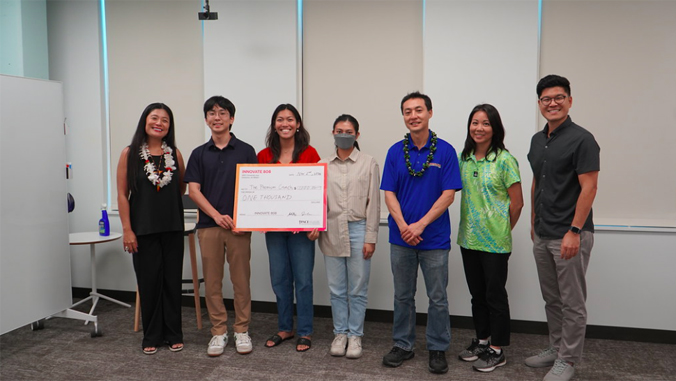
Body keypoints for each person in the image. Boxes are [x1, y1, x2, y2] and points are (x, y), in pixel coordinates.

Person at [380, 92, 463, 374]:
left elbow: (448, 195)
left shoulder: (446, 151)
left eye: (418, 110)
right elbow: (389, 193)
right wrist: (404, 226)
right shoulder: (394, 152)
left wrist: (420, 225)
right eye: (407, 111)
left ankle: (437, 347)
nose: (413, 115)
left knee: (437, 297)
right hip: (400, 238)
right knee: (403, 295)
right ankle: (403, 344)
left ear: (429, 112)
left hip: (435, 239)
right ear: (403, 116)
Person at [525, 75, 600, 381]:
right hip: (543, 232)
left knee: (572, 302)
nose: (552, 103)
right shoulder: (537, 140)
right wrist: (532, 220)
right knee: (552, 298)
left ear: (570, 101)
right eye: (546, 99)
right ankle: (557, 348)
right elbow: (536, 181)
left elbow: (590, 187)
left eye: (558, 97)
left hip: (569, 234)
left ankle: (567, 360)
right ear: (540, 103)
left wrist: (575, 230)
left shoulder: (582, 139)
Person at [184, 96, 258, 356]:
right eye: (212, 113)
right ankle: (218, 332)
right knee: (213, 282)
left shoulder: (247, 150)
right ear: (206, 120)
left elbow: (254, 188)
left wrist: (243, 219)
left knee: (241, 281)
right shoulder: (198, 153)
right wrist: (217, 216)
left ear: (232, 118)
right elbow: (193, 191)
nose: (217, 117)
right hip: (208, 226)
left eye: (222, 113)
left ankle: (241, 330)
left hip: (239, 227)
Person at [456, 104, 523, 372]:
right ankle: (482, 340)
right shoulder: (465, 158)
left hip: (495, 243)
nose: (479, 128)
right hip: (468, 240)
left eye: (485, 123)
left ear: (494, 128)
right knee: (477, 295)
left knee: (495, 296)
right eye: (475, 122)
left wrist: (502, 231)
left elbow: (516, 204)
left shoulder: (505, 160)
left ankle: (497, 348)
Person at [116, 103, 186, 355]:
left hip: (172, 229)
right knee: (149, 284)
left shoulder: (175, 154)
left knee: (171, 282)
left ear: (169, 126)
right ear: (144, 121)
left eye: (165, 119)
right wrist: (127, 229)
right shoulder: (129, 153)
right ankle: (152, 336)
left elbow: (180, 189)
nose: (159, 122)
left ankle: (173, 333)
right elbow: (123, 195)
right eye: (154, 118)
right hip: (142, 230)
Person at [258, 104, 321, 352]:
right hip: (274, 229)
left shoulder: (310, 153)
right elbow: (258, 192)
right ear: (274, 124)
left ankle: (305, 331)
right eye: (280, 119)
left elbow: (318, 190)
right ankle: (285, 327)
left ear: (298, 124)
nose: (285, 124)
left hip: (302, 230)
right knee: (280, 278)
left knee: (303, 280)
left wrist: (317, 221)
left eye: (290, 119)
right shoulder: (264, 155)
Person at [319, 114, 380, 359]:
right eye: (339, 130)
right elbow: (317, 203)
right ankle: (340, 333)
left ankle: (355, 335)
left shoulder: (369, 162)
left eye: (349, 131)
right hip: (331, 230)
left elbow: (374, 203)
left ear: (357, 134)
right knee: (336, 288)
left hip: (358, 229)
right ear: (333, 133)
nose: (344, 135)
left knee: (357, 288)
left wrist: (370, 237)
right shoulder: (322, 165)